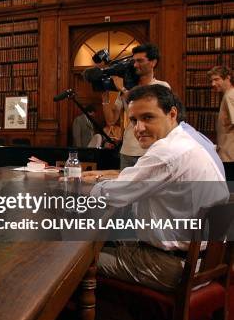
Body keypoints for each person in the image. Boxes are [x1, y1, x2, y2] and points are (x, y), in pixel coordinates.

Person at [85, 85, 229, 291]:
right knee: (114, 238)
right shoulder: (191, 140)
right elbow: (139, 178)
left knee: (78, 262)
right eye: (134, 120)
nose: (139, 128)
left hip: (174, 267)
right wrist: (105, 177)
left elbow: (112, 195)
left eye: (148, 118)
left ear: (172, 114)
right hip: (208, 261)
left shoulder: (166, 151)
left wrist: (84, 185)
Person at [102, 43, 170, 169]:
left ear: (153, 62)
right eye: (134, 61)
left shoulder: (161, 87)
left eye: (140, 61)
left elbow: (145, 108)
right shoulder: (127, 89)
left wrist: (122, 89)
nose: (135, 65)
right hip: (128, 150)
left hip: (151, 151)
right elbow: (111, 120)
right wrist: (104, 95)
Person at [208, 66, 234, 181]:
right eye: (211, 80)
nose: (213, 83)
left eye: (217, 79)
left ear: (228, 78)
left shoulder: (230, 96)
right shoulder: (228, 95)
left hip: (230, 155)